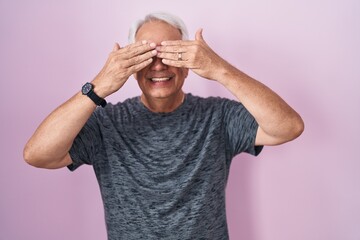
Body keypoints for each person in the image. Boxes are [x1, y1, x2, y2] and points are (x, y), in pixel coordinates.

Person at [23, 12, 304, 240]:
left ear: (187, 65)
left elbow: (288, 127)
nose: (158, 65)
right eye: (146, 56)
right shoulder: (105, 123)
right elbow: (37, 154)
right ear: (131, 67)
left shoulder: (218, 116)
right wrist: (99, 87)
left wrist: (219, 69)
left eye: (171, 54)